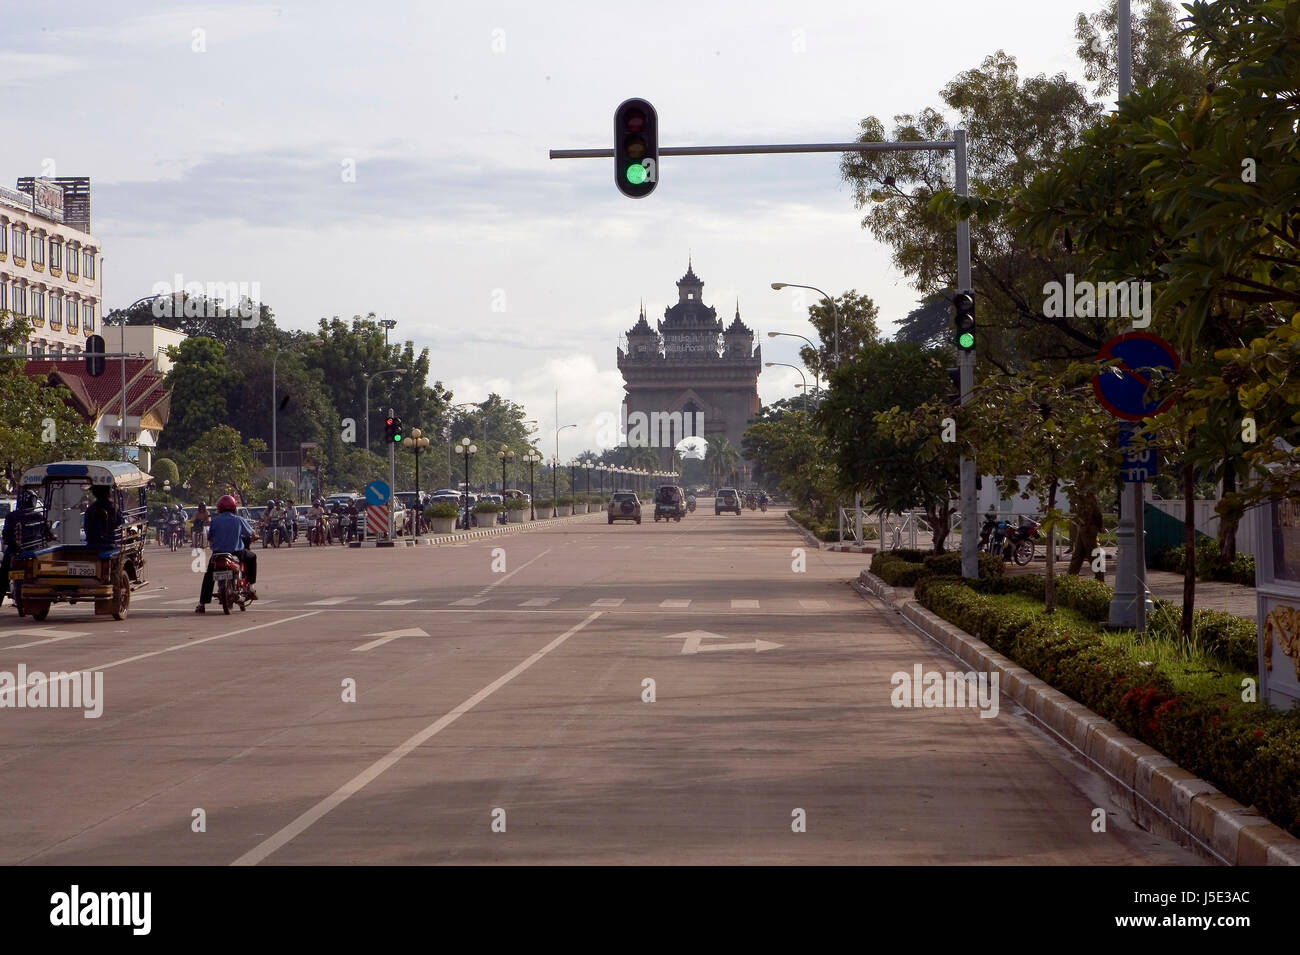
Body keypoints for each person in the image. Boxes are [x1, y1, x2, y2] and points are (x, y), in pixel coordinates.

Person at [197, 495, 257, 613]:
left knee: (209, 576)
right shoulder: (239, 520)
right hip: (236, 552)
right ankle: (251, 586)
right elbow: (251, 533)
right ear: (234, 507)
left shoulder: (215, 521)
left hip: (218, 554)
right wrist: (254, 536)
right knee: (252, 557)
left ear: (220, 508)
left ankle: (202, 603)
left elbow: (210, 538)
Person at [84, 485, 121, 550]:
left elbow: (87, 529)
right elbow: (119, 524)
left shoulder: (90, 509)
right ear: (108, 493)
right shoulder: (113, 507)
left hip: (92, 545)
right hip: (109, 545)